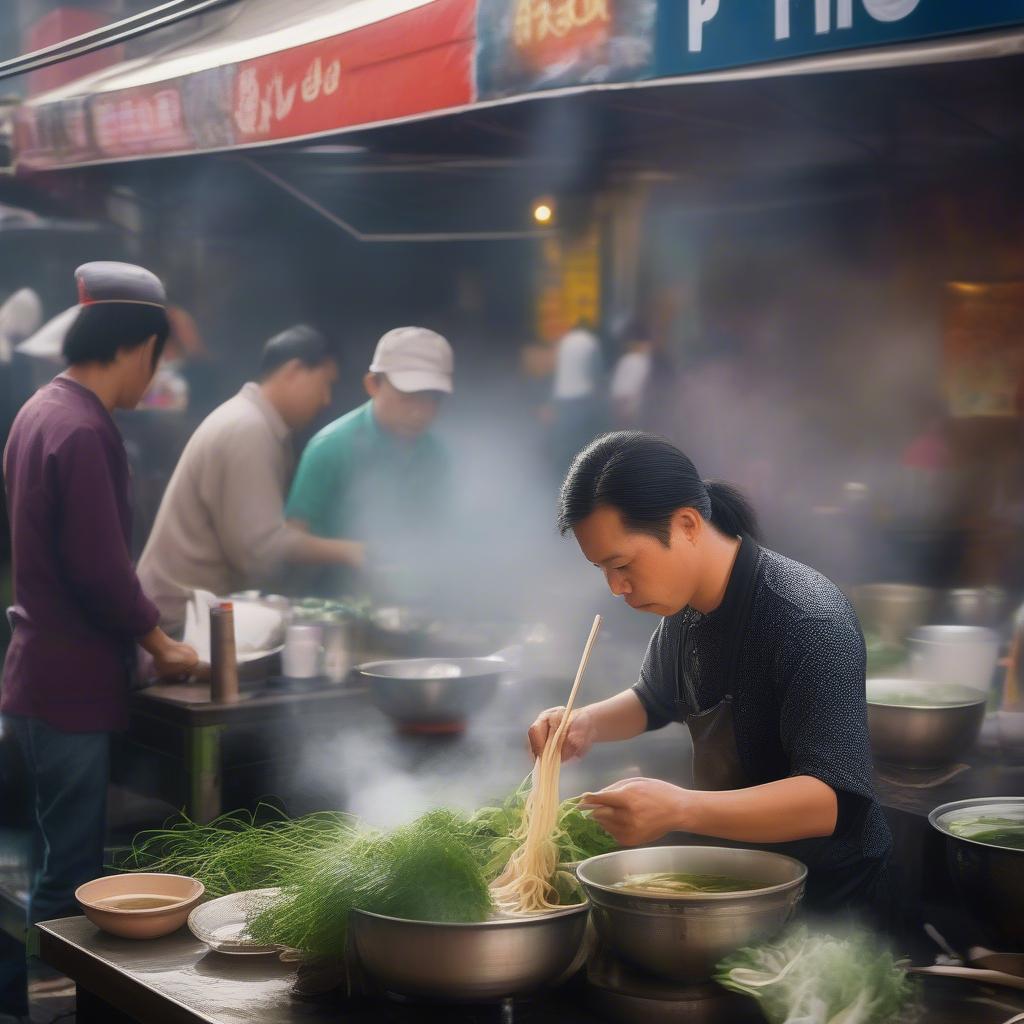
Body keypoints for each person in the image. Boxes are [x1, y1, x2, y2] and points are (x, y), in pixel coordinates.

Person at [528, 432, 892, 917]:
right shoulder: (685, 608)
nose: (615, 587)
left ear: (686, 524)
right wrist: (585, 723)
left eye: (621, 564)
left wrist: (680, 808)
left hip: (831, 897)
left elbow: (834, 800)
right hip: (742, 876)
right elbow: (654, 698)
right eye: (602, 569)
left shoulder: (807, 617)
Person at [0, 262, 199, 938]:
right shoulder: (83, 429)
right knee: (72, 877)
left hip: (36, 679)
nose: (155, 373)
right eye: (158, 356)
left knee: (48, 859)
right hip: (69, 690)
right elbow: (99, 569)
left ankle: (29, 997)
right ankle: (52, 1004)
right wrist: (162, 643)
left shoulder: (40, 409)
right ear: (140, 345)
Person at [137, 325, 363, 634]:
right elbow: (259, 553)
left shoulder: (257, 423)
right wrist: (350, 552)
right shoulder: (249, 428)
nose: (326, 399)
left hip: (196, 614)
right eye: (324, 384)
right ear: (294, 371)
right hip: (180, 621)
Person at [285, 326, 452, 555]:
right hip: (333, 589)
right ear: (373, 384)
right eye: (408, 397)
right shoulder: (330, 447)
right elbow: (289, 541)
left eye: (432, 399)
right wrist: (358, 554)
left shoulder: (439, 454)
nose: (420, 412)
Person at [546, 319, 606, 475]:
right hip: (581, 396)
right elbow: (596, 370)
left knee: (564, 433)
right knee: (580, 435)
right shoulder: (591, 342)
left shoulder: (564, 341)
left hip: (561, 395)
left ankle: (558, 469)